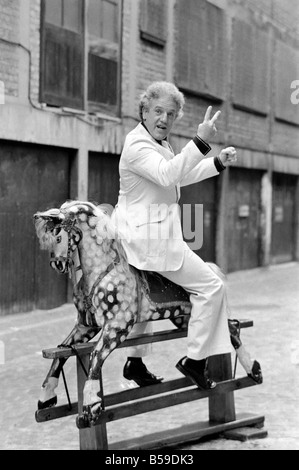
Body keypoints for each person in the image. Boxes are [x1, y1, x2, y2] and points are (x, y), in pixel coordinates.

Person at [112, 81, 237, 390]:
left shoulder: (159, 145)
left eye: (170, 114)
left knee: (155, 299)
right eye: (157, 111)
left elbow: (178, 174)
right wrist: (200, 141)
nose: (164, 119)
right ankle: (194, 361)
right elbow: (170, 173)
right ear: (143, 110)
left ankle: (135, 362)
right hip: (148, 242)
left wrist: (216, 162)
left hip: (150, 239)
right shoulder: (137, 146)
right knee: (212, 286)